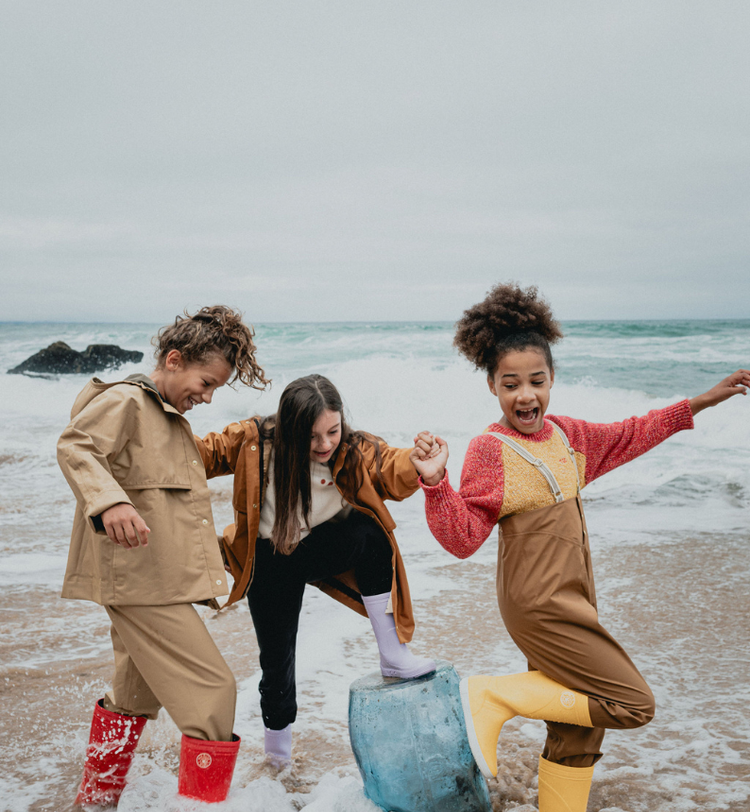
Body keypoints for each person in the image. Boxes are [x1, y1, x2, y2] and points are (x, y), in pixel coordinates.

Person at [410, 282, 750, 812]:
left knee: (576, 731)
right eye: (511, 384)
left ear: (552, 379)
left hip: (573, 598)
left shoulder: (569, 438)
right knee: (631, 702)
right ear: (493, 387)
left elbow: (635, 431)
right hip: (538, 605)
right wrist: (436, 483)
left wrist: (704, 400)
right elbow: (461, 539)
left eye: (537, 381)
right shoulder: (489, 449)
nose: (526, 395)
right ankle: (491, 695)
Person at [57, 305, 269, 808]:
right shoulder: (129, 401)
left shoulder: (169, 419)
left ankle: (94, 802)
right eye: (205, 381)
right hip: (140, 582)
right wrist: (110, 501)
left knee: (134, 696)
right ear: (173, 360)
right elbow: (76, 446)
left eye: (216, 388)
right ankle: (203, 806)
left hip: (152, 578)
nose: (208, 395)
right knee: (213, 693)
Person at [197, 374, 437, 767]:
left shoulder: (351, 448)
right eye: (312, 437)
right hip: (268, 559)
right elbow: (198, 455)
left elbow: (389, 464)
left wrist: (416, 460)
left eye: (333, 431)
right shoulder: (256, 440)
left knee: (371, 531)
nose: (325, 445)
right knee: (277, 665)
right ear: (290, 428)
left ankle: (393, 654)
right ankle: (277, 762)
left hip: (320, 548)